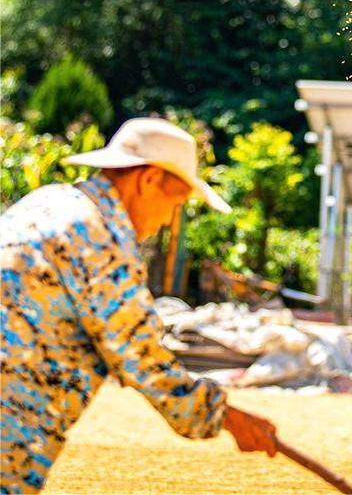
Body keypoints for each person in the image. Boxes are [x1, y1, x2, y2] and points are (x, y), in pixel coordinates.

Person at [1, 118, 276, 494]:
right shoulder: (102, 239)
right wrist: (225, 416)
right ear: (147, 181)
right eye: (173, 205)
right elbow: (141, 357)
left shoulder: (47, 202)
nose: (166, 221)